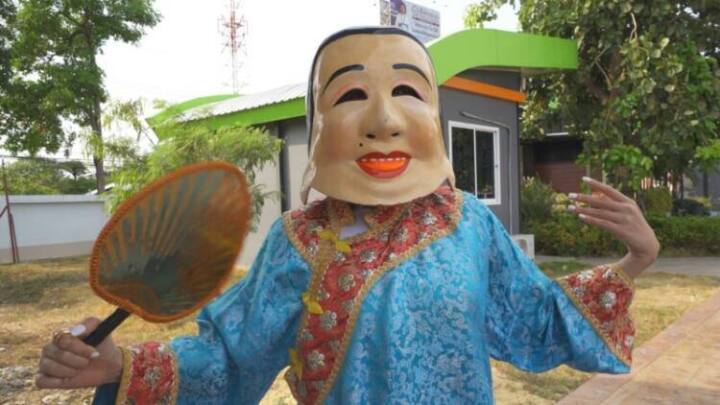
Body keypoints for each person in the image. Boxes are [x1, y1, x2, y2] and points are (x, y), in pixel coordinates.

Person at [36, 27, 660, 404]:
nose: (383, 120)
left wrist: (638, 259)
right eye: (352, 95)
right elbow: (230, 358)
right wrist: (122, 365)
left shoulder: (469, 224)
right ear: (318, 124)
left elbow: (537, 318)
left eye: (407, 92)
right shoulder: (297, 241)